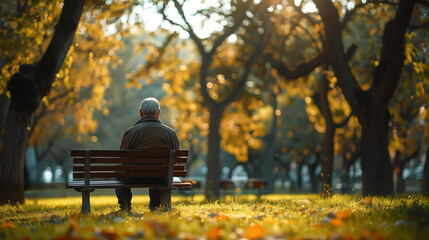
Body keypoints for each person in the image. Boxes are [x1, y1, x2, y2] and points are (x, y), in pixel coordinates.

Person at [116, 97, 180, 212]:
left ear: (141, 113)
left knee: (119, 172)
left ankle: (125, 207)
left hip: (135, 177)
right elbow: (177, 158)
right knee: (160, 172)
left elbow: (122, 158)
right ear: (158, 113)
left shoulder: (131, 132)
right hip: (161, 177)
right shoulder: (171, 133)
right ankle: (156, 206)